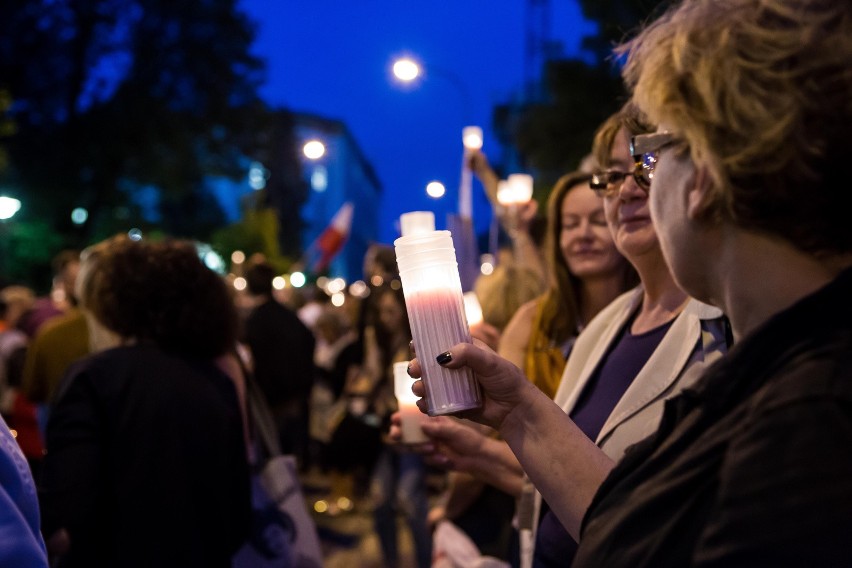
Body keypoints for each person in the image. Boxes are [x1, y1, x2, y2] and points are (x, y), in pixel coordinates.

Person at [408, 0, 852, 565]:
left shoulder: (810, 425)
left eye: (649, 158)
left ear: (705, 180)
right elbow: (641, 532)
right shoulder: (779, 368)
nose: (629, 189)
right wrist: (519, 412)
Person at [398, 103, 731, 567]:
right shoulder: (605, 325)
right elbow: (571, 486)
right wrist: (492, 438)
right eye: (611, 176)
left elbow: (673, 532)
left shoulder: (729, 328)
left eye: (648, 164)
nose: (626, 191)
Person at [40, 236, 251, 567]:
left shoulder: (95, 378)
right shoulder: (215, 379)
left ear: (112, 306)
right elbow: (238, 511)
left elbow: (66, 504)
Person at [243, 260, 316, 469]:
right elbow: (308, 343)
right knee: (289, 461)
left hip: (270, 402)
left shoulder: (254, 322)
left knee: (272, 464)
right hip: (293, 398)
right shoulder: (288, 316)